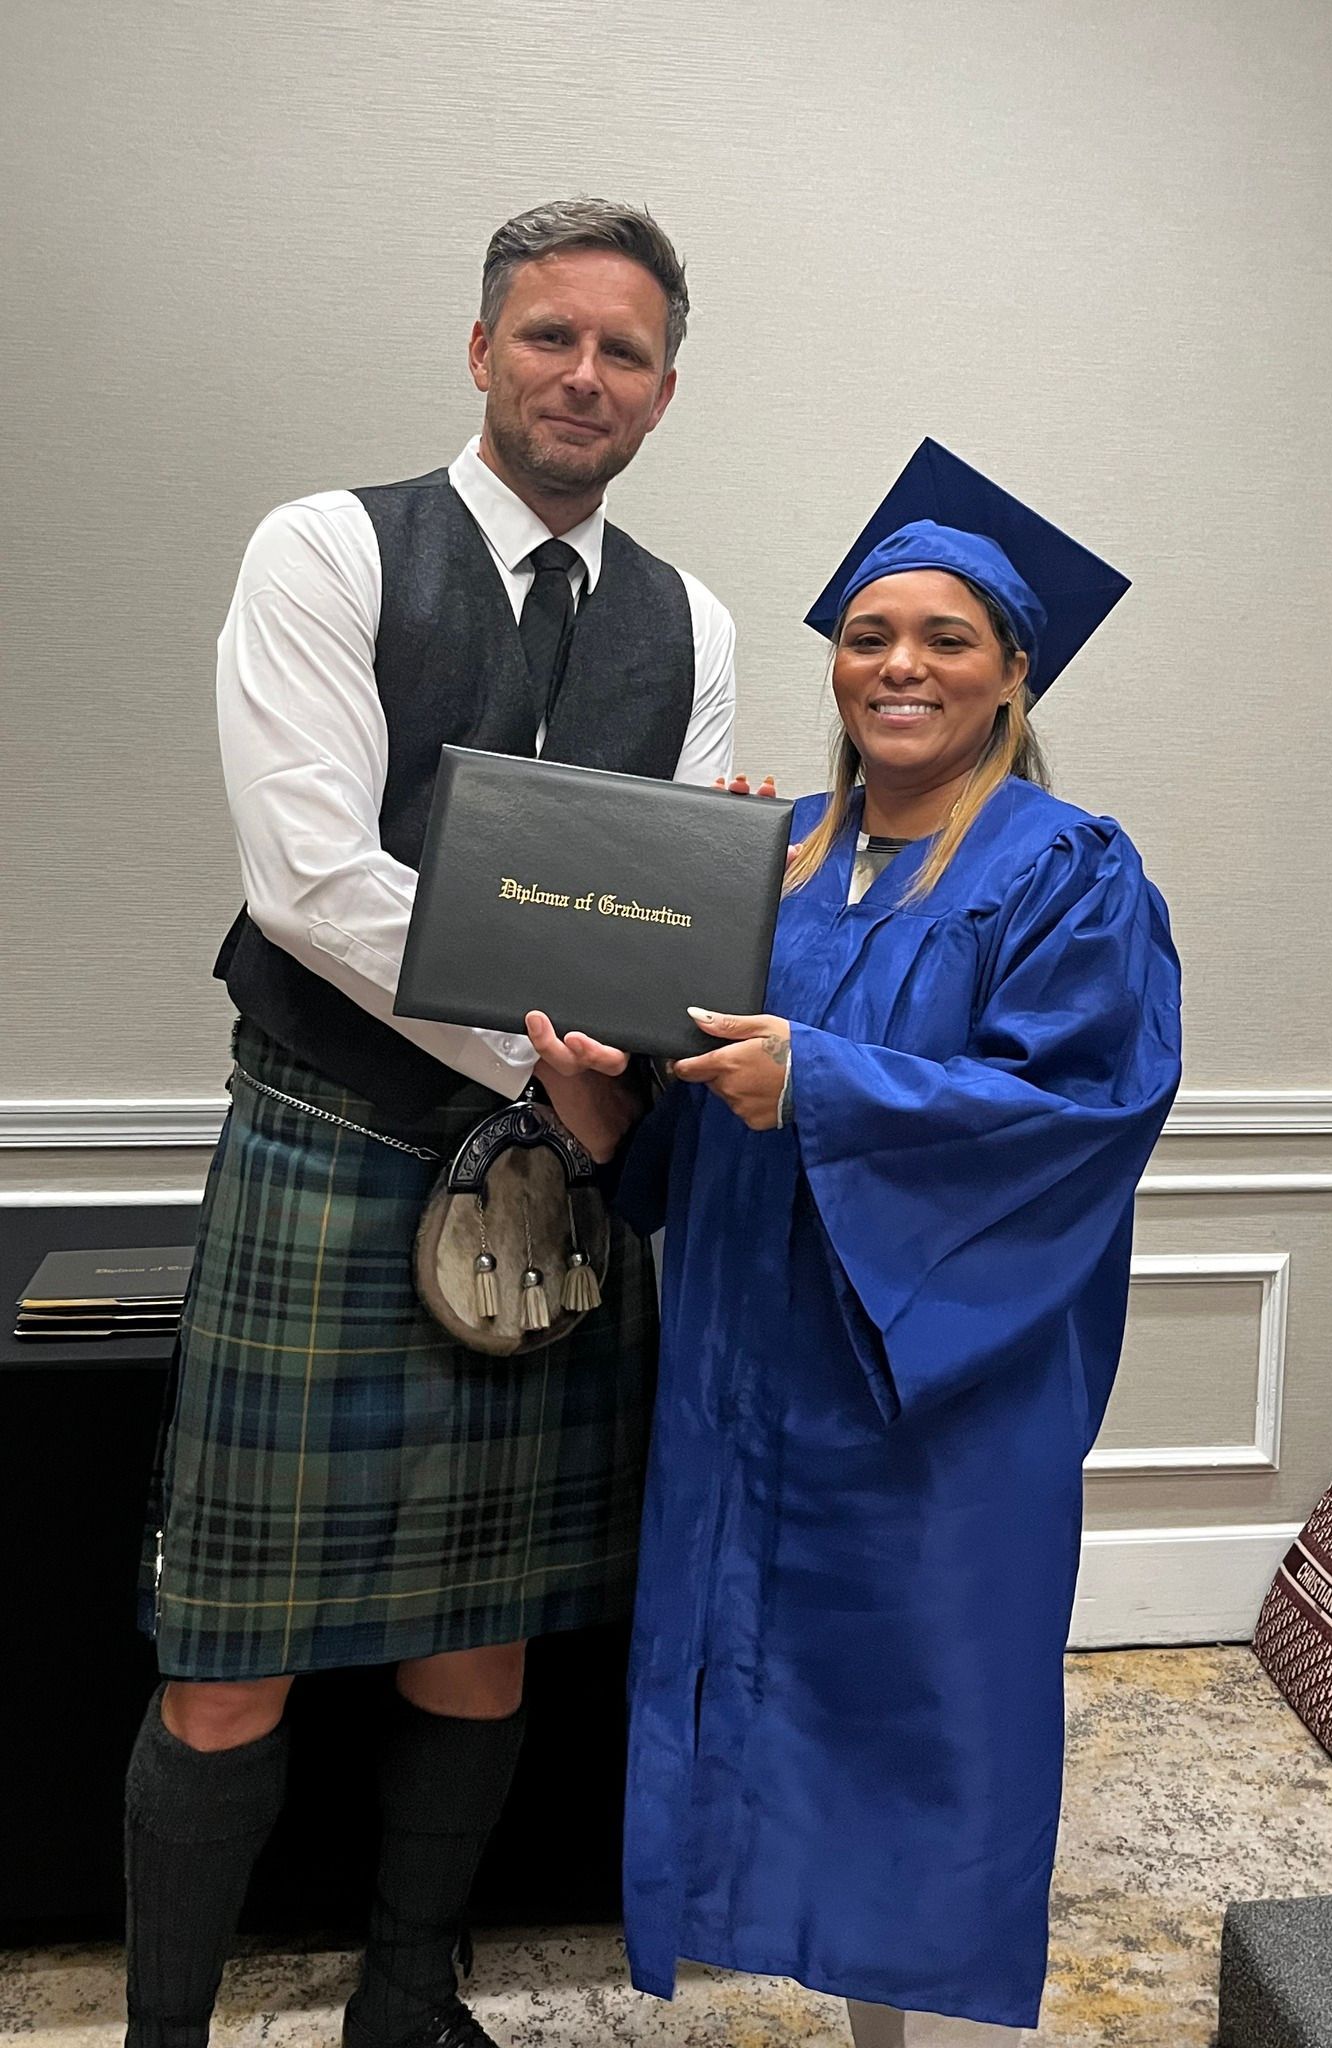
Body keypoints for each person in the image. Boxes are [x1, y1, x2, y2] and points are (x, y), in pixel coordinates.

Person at [125, 198, 736, 2048]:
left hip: (549, 1183)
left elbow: (680, 899)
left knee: (481, 1632)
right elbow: (313, 877)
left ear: (665, 391)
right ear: (481, 353)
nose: (583, 374)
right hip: (331, 1146)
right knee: (228, 1662)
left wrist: (623, 1043)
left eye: (623, 351)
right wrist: (548, 1051)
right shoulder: (325, 549)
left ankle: (409, 1996)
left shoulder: (687, 618)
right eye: (549, 336)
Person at [531, 440, 1183, 2044]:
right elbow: (699, 1127)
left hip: (927, 1395)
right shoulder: (774, 859)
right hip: (750, 1371)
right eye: (871, 634)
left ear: (1012, 673)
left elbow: (1080, 1110)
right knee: (766, 1705)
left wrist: (822, 1079)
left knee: (924, 1716)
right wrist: (602, 1108)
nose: (901, 665)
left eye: (947, 638)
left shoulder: (1068, 869)